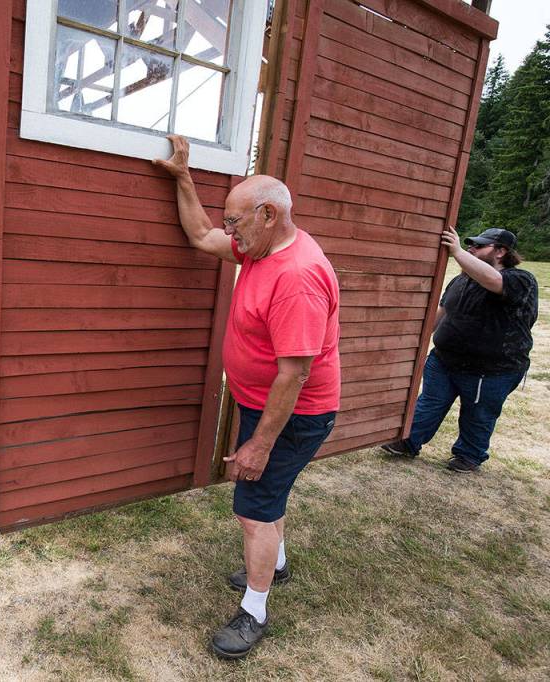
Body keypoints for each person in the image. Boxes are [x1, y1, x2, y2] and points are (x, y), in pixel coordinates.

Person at [153, 135, 340, 660]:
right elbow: (200, 235)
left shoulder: (297, 277)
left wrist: (259, 443)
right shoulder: (260, 245)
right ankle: (275, 565)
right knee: (268, 496)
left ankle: (254, 610)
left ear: (268, 213)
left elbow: (295, 374)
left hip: (293, 413)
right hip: (267, 405)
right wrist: (182, 176)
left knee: (253, 507)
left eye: (236, 221)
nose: (229, 231)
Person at [381, 227, 537, 472]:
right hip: (444, 361)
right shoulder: (461, 280)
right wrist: (414, 343)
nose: (472, 249)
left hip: (491, 371)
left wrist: (457, 251)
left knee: (478, 415)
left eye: (479, 246)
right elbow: (442, 313)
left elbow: (495, 281)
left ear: (501, 252)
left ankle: (469, 455)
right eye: (470, 245)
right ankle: (408, 441)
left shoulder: (520, 280)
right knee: (430, 403)